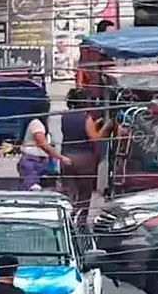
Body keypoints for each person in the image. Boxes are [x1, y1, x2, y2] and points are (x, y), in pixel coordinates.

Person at [61, 88, 113, 225]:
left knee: (70, 191)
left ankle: (68, 219)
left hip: (66, 157)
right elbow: (94, 138)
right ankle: (81, 222)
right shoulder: (86, 118)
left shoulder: (65, 116)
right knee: (85, 193)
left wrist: (94, 125)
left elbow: (77, 132)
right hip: (84, 159)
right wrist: (106, 127)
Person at [17, 110, 71, 191]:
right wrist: (61, 157)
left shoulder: (39, 124)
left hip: (40, 162)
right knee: (33, 189)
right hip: (33, 161)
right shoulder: (36, 124)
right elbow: (43, 144)